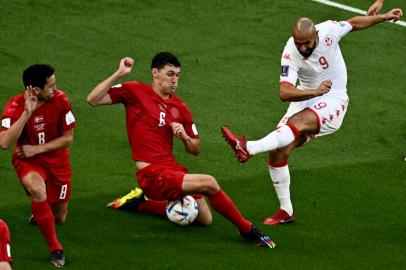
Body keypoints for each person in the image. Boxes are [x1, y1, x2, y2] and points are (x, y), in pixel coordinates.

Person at [221, 8, 403, 225]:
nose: (303, 48)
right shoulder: (291, 51)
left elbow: (353, 23)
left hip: (334, 98)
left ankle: (248, 148)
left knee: (295, 124)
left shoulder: (329, 30)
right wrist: (314, 91)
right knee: (278, 152)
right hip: (307, 95)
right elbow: (284, 92)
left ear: (316, 34)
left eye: (307, 43)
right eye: (299, 43)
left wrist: (382, 17)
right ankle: (286, 211)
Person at [87, 52, 275, 249]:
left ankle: (139, 202)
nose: (174, 80)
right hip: (151, 173)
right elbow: (93, 99)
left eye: (177, 75)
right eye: (170, 74)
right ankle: (247, 229)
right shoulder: (134, 91)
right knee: (209, 183)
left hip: (171, 168)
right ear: (155, 73)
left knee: (204, 219)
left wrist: (184, 137)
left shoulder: (180, 107)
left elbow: (196, 148)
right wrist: (119, 73)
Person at [0, 64, 76, 267]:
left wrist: (37, 149)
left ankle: (41, 212)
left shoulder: (61, 99)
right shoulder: (15, 106)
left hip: (57, 163)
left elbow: (68, 138)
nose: (55, 88)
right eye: (51, 85)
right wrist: (27, 113)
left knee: (59, 218)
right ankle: (56, 248)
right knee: (38, 190)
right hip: (28, 162)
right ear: (35, 90)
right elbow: (4, 143)